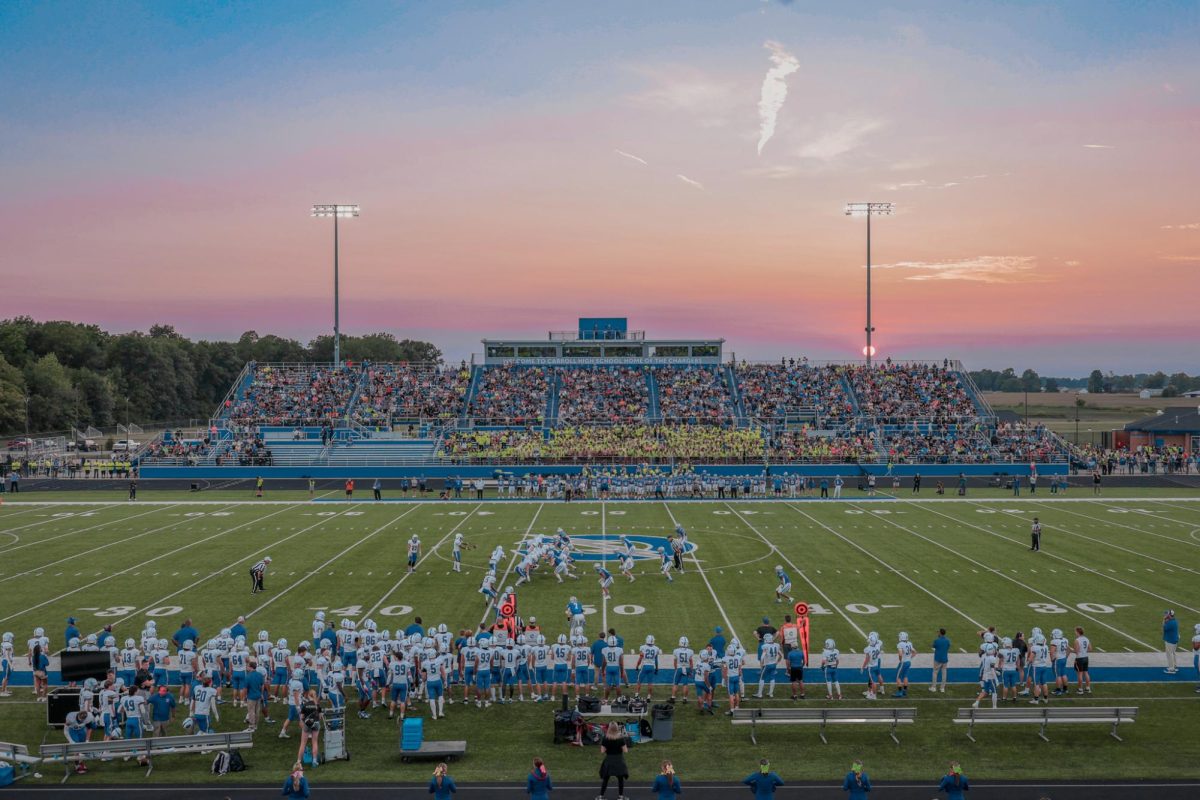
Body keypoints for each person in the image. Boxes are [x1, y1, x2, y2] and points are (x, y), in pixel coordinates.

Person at [598, 721, 629, 799]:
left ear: (609, 728)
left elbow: (602, 751)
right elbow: (625, 750)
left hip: (609, 760)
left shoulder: (605, 738)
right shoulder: (621, 738)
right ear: (617, 728)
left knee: (606, 779)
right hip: (619, 760)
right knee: (620, 779)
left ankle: (601, 796)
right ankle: (621, 797)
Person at [298, 688, 322, 766]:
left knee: (303, 743)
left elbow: (301, 717)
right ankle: (314, 761)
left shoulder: (305, 705)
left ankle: (298, 762)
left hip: (307, 725)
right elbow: (320, 717)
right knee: (314, 742)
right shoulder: (317, 705)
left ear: (308, 696)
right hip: (316, 724)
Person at [930, 628, 950, 693]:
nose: (938, 633)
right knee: (944, 673)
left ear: (940, 633)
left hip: (938, 659)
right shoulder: (947, 640)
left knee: (935, 672)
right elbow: (948, 647)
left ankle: (933, 687)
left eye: (938, 632)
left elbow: (933, 646)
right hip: (945, 659)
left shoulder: (937, 640)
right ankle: (942, 688)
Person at [1163, 610, 1180, 674]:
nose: (1166, 615)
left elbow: (1164, 628)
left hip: (1170, 640)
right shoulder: (1175, 621)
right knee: (1173, 653)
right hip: (1174, 639)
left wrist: (1164, 620)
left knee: (1169, 654)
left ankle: (1171, 669)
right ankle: (1174, 666)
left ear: (1169, 615)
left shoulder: (1170, 623)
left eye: (1167, 614)